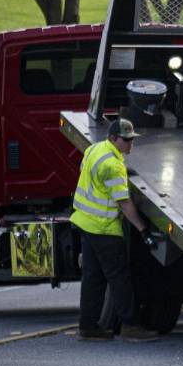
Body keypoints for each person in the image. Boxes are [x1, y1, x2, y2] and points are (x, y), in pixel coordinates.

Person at [71, 118, 159, 342]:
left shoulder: (95, 149)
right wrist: (143, 230)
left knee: (92, 278)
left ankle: (88, 326)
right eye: (126, 140)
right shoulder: (113, 166)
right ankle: (131, 326)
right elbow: (124, 203)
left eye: (132, 140)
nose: (131, 144)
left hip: (85, 223)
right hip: (104, 229)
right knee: (119, 278)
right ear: (113, 138)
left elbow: (85, 168)